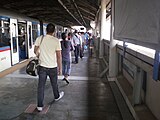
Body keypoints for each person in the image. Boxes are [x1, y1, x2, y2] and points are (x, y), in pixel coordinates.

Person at [34, 23, 64, 112]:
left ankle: (39, 106)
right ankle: (56, 96)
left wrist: (39, 55)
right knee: (54, 83)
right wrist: (60, 68)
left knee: (41, 86)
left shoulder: (40, 38)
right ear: (54, 31)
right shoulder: (56, 41)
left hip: (42, 66)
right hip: (53, 67)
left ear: (46, 30)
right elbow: (59, 56)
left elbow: (35, 50)